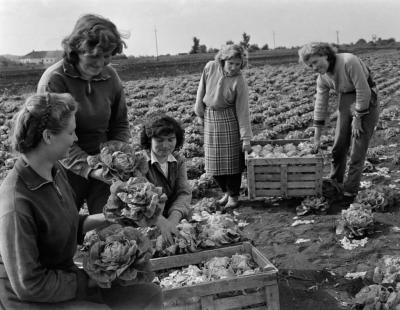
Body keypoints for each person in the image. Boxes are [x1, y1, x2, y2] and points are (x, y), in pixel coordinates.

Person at [0, 93, 162, 310]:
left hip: (65, 280)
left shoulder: (54, 171)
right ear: (48, 136)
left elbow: (68, 225)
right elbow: (29, 284)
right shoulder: (16, 203)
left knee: (149, 295)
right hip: (29, 299)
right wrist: (88, 280)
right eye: (70, 132)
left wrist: (115, 215)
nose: (75, 138)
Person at [37, 14, 130, 215]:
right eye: (94, 56)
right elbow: (54, 136)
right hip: (63, 166)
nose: (100, 63)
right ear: (77, 49)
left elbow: (120, 123)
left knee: (111, 226)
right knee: (64, 230)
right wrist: (90, 170)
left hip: (105, 168)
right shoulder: (55, 80)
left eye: (107, 56)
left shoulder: (111, 77)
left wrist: (116, 157)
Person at [298, 42, 379, 204]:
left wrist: (358, 118)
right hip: (346, 99)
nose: (313, 67)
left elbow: (363, 90)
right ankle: (336, 183)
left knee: (358, 147)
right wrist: (316, 137)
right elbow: (320, 105)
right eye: (309, 65)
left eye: (315, 62)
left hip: (367, 99)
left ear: (325, 55)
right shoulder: (323, 78)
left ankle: (350, 191)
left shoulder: (349, 61)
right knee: (338, 146)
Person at [194, 44, 253, 209]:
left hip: (229, 119)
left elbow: (243, 110)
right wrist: (199, 112)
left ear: (242, 64)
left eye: (237, 64)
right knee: (213, 163)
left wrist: (246, 138)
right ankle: (225, 191)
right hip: (211, 118)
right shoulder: (210, 67)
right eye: (230, 63)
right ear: (222, 60)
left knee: (232, 162)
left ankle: (233, 195)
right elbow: (201, 90)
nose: (234, 67)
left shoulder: (239, 81)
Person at [139, 112, 191, 244]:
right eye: (160, 140)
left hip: (173, 216)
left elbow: (183, 193)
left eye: (170, 139)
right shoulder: (139, 163)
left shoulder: (179, 161)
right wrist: (160, 221)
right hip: (146, 220)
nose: (166, 145)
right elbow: (140, 202)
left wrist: (173, 219)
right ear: (149, 140)